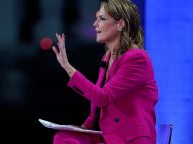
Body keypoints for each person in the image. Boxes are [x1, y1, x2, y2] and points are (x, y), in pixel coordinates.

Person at [51, 0, 158, 143]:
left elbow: (103, 97)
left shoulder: (137, 58)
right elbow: (97, 108)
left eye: (101, 19)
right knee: (64, 138)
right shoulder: (107, 57)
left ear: (120, 24)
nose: (95, 25)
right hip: (109, 136)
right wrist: (82, 128)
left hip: (129, 138)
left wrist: (68, 68)